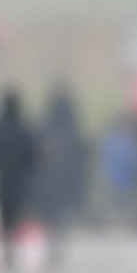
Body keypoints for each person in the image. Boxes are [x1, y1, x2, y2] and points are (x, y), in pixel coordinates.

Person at [0, 88, 40, 241]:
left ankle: (5, 241)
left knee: (2, 215)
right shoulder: (22, 130)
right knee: (14, 214)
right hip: (18, 181)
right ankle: (11, 241)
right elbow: (32, 154)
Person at [34, 85, 89, 247]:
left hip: (51, 177)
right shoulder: (70, 127)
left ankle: (52, 228)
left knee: (53, 207)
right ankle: (56, 228)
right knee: (60, 207)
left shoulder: (48, 125)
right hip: (64, 176)